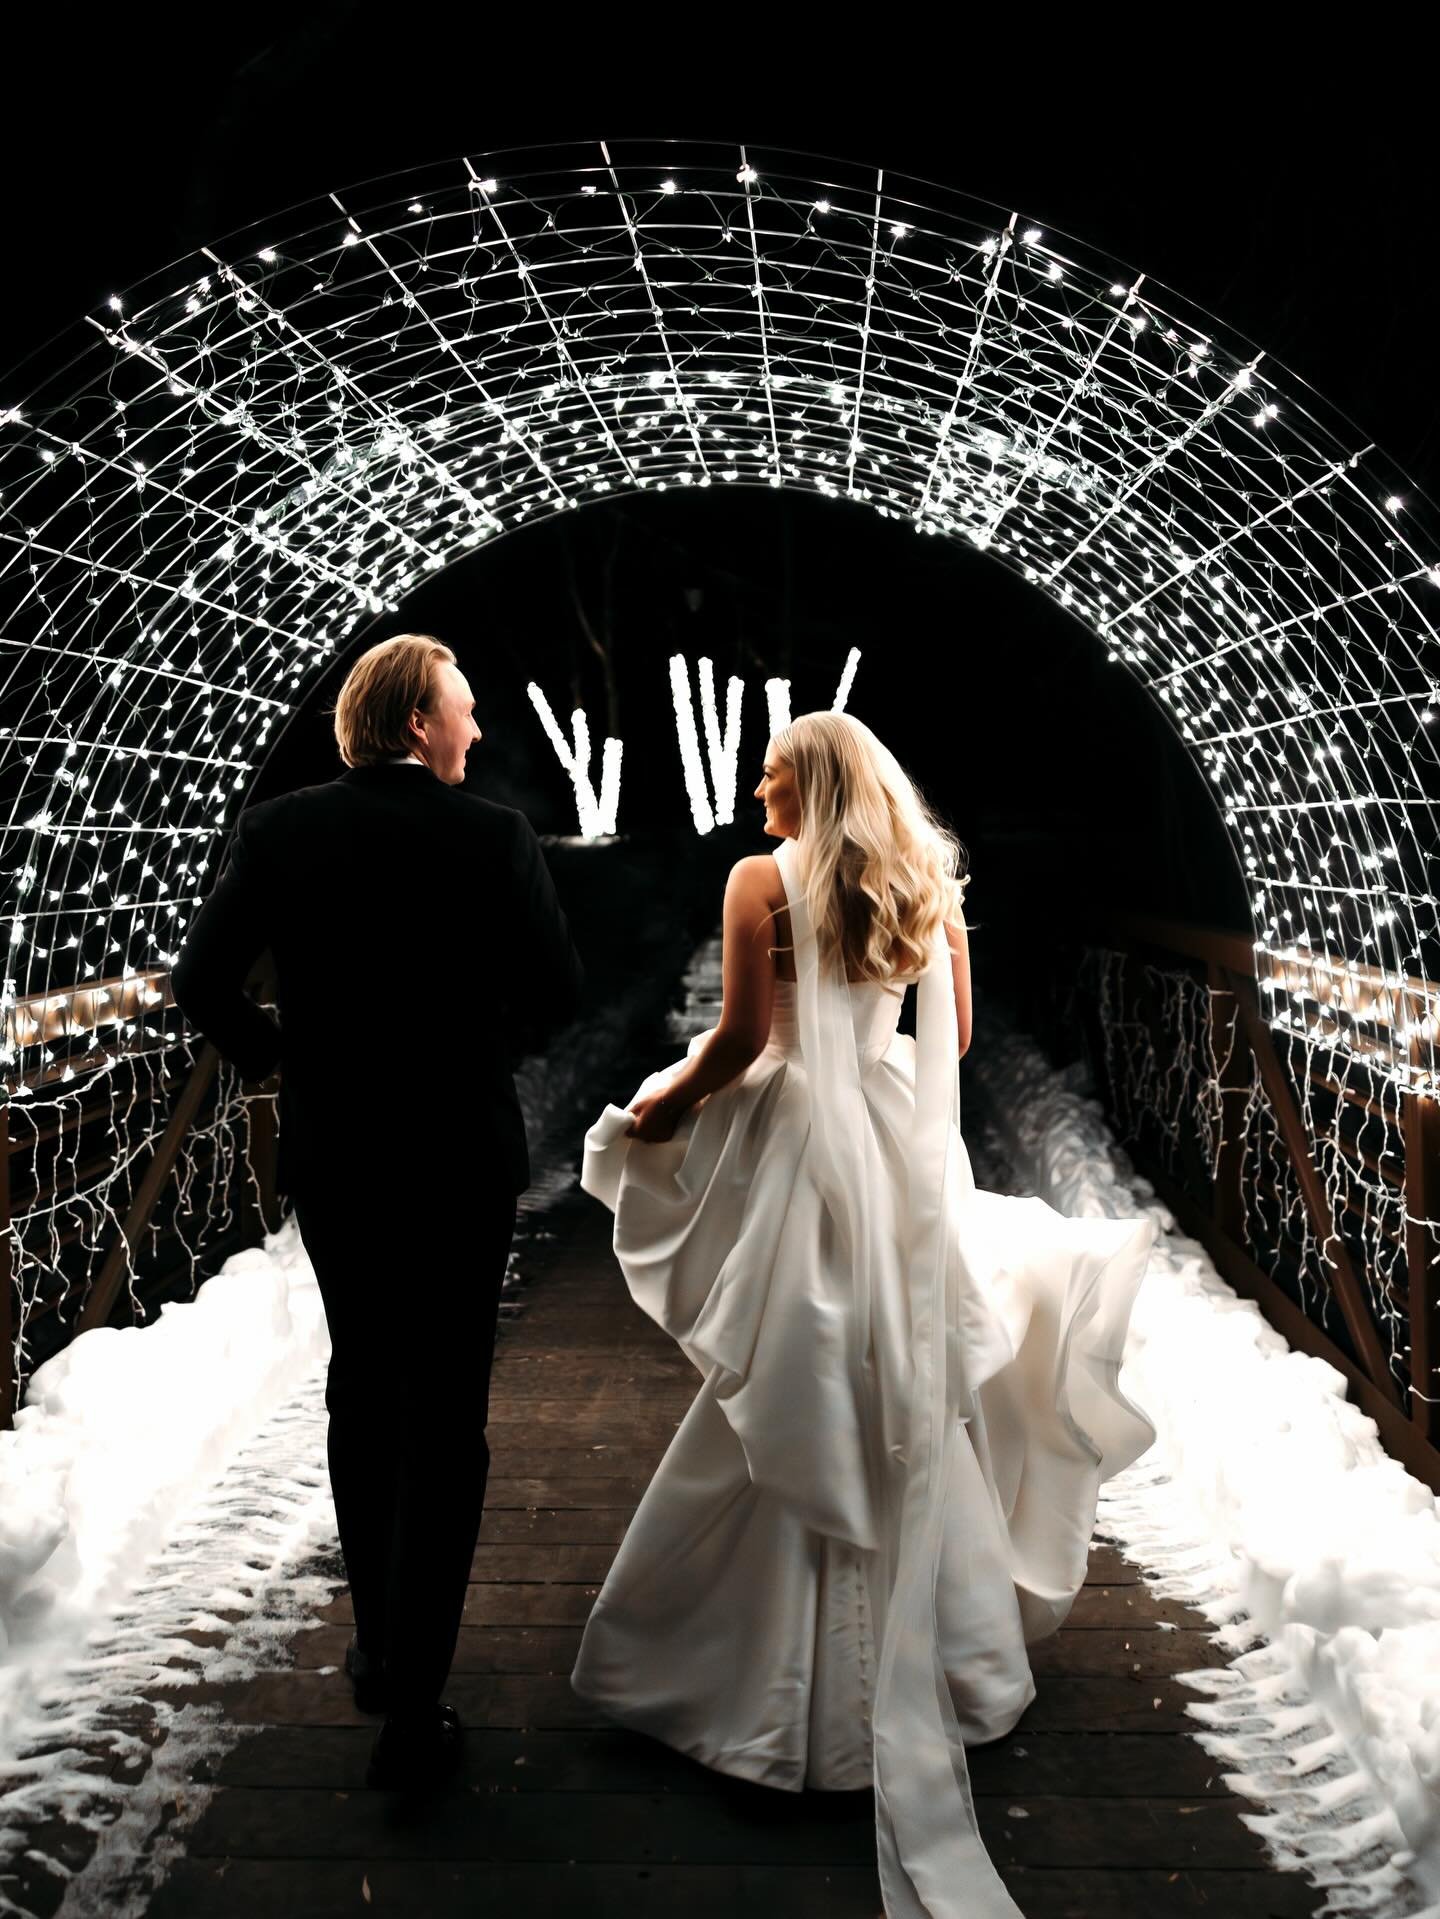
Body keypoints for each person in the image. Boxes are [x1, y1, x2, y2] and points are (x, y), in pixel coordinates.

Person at [575, 711, 1156, 1917]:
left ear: (815, 783)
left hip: (794, 1143)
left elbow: (738, 1037)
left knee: (796, 1368)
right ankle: (954, 1668)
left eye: (774, 772)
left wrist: (663, 1108)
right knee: (900, 1384)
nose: (757, 787)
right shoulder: (922, 882)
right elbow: (957, 1036)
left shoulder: (758, 879)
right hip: (897, 1141)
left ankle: (768, 1703)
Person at [172, 633, 583, 1792]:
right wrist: (472, 1033)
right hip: (457, 1152)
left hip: (340, 1151)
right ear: (417, 723)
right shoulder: (494, 835)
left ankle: (374, 1639)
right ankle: (418, 1697)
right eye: (464, 708)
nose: (478, 730)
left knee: (362, 1382)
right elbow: (560, 991)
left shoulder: (281, 830)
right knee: (448, 1411)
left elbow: (199, 982)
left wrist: (287, 1056)